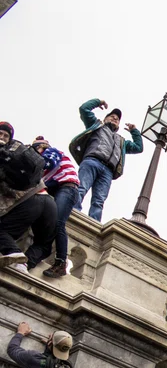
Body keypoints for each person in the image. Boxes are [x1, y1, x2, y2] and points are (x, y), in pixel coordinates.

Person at [69, 98, 143, 221]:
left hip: (108, 171)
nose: (115, 119)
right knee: (81, 188)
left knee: (99, 201)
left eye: (117, 119)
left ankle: (93, 222)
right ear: (105, 119)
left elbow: (138, 147)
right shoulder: (97, 126)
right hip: (92, 161)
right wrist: (98, 102)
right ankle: (72, 213)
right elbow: (84, 109)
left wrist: (134, 131)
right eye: (112, 116)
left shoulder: (121, 141)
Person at [0, 123, 57, 272]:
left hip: (33, 201)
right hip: (50, 203)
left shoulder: (9, 156)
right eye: (1, 134)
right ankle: (24, 266)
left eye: (5, 135)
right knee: (44, 245)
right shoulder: (21, 151)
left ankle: (14, 254)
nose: (2, 137)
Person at [31, 137, 79, 278]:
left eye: (36, 149)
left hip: (67, 188)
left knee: (58, 223)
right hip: (59, 190)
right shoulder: (44, 173)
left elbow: (50, 162)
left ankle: (61, 263)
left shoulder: (51, 152)